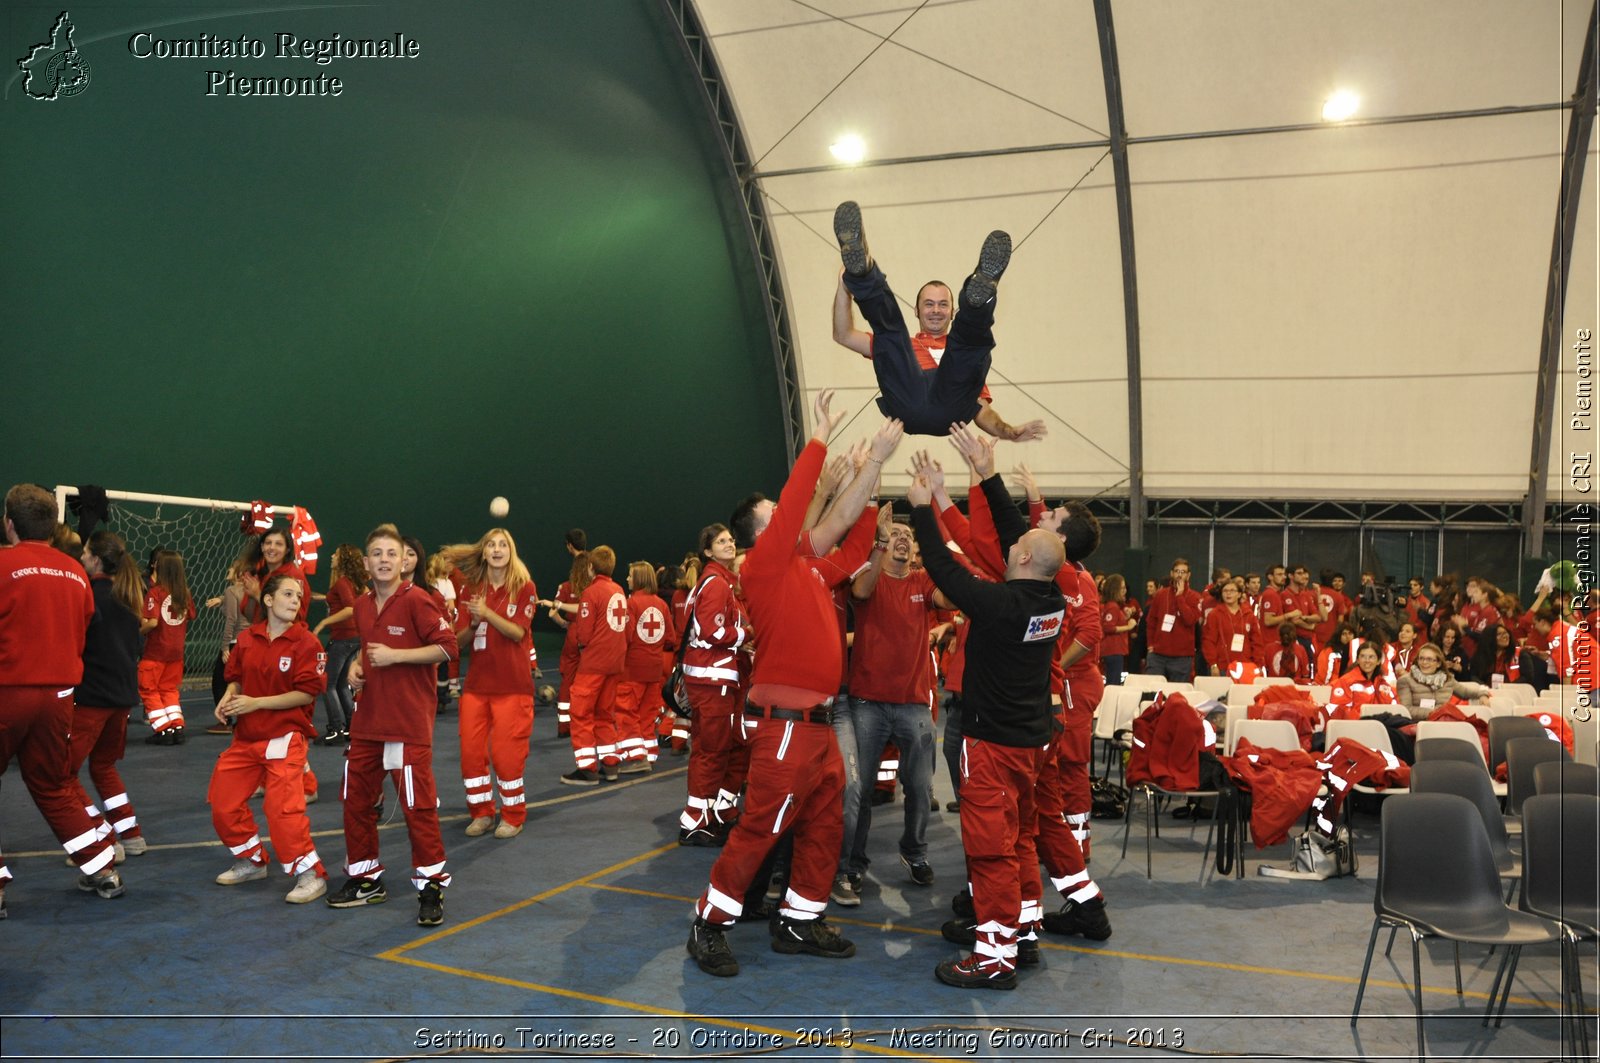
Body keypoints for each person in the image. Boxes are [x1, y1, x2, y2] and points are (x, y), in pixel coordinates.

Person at [685, 391, 900, 979]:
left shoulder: (805, 565)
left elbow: (848, 537)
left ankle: (799, 920)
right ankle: (710, 920)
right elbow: (804, 506)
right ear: (763, 527)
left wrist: (873, 471)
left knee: (824, 825)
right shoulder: (761, 565)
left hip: (819, 726)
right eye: (775, 509)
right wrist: (821, 437)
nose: (786, 509)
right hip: (785, 729)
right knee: (760, 827)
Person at [905, 445, 1066, 990]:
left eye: (1016, 544)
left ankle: (993, 957)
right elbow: (1010, 532)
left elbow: (944, 566)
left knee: (990, 850)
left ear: (1021, 561)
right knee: (1019, 840)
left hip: (992, 746)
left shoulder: (1000, 607)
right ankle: (1023, 934)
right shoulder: (1052, 600)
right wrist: (989, 476)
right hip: (1029, 742)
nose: (1010, 541)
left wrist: (923, 507)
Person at [327, 524, 458, 927]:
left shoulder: (418, 600)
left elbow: (449, 648)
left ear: (404, 561)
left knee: (418, 809)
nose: (384, 559)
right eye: (376, 554)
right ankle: (366, 878)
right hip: (368, 723)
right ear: (366, 564)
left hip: (407, 725)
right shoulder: (364, 605)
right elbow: (370, 651)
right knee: (355, 802)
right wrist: (356, 666)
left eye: (391, 553)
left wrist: (398, 656)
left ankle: (431, 885)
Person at [0, 483, 123, 910]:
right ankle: (102, 867)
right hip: (59, 698)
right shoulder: (76, 573)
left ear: (9, 524)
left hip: (7, 692)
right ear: (53, 528)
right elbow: (85, 627)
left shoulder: (2, 564)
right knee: (53, 784)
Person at [830, 200, 1044, 442]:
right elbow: (843, 334)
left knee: (967, 349)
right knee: (890, 335)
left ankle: (977, 302)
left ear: (952, 312)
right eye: (929, 304)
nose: (936, 310)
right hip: (906, 400)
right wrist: (844, 288)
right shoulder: (906, 346)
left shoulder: (957, 354)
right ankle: (862, 272)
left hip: (950, 409)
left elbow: (981, 410)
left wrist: (1008, 431)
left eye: (943, 304)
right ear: (917, 311)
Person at [837, 511, 940, 898]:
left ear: (914, 550)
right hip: (866, 703)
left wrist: (936, 548)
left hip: (913, 704)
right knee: (858, 789)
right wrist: (877, 542)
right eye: (894, 533)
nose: (901, 537)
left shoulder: (923, 580)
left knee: (919, 786)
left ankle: (914, 852)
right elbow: (860, 593)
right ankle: (851, 866)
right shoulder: (870, 577)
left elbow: (947, 595)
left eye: (907, 535)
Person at [208, 575, 328, 903]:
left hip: (285, 738)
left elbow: (305, 695)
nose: (295, 600)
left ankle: (309, 873)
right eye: (287, 594)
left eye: (299, 595)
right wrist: (229, 698)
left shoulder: (307, 644)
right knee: (222, 803)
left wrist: (255, 703)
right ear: (269, 600)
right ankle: (252, 859)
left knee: (282, 810)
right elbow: (235, 679)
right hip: (246, 736)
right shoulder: (247, 639)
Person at [444, 529, 538, 839]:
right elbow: (457, 643)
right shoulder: (471, 590)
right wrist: (472, 623)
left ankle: (512, 815)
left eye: (502, 545)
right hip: (476, 687)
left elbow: (518, 633)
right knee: (471, 753)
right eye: (490, 545)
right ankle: (481, 812)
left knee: (506, 755)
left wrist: (486, 613)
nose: (496, 550)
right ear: (484, 553)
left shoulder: (524, 588)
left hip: (513, 686)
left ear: (511, 551)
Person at [71, 530, 148, 860]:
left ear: (96, 559)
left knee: (61, 777)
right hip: (122, 697)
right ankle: (130, 835)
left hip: (91, 699)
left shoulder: (88, 594)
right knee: (103, 766)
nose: (82, 557)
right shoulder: (129, 598)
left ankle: (99, 839)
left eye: (86, 552)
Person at [676, 524, 751, 845]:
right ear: (708, 551)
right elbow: (713, 633)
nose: (730, 544)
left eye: (731, 540)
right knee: (711, 750)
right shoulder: (717, 585)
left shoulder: (718, 582)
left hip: (715, 679)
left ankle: (717, 810)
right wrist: (748, 636)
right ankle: (695, 821)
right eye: (721, 541)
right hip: (712, 680)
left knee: (725, 747)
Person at [561, 545, 627, 785]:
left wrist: (582, 644)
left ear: (590, 567)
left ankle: (587, 768)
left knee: (580, 712)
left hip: (594, 664)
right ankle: (610, 764)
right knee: (605, 714)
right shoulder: (618, 590)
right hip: (615, 662)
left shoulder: (591, 592)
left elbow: (584, 633)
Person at [616, 561, 675, 774]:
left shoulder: (631, 604)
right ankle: (649, 754)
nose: (627, 579)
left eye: (630, 575)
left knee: (626, 712)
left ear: (638, 578)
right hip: (655, 669)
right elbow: (670, 638)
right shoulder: (661, 604)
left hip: (632, 669)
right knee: (647, 713)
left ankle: (635, 757)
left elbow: (625, 636)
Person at [310, 543, 366, 745]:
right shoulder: (352, 582)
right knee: (342, 684)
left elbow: (351, 608)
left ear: (343, 560)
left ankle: (336, 728)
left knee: (327, 684)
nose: (332, 556)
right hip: (353, 639)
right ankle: (353, 726)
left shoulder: (343, 582)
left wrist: (323, 622)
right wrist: (321, 598)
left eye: (336, 554)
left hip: (342, 639)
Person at [139, 549, 196, 744]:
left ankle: (162, 729)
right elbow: (191, 616)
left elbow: (152, 622)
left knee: (149, 689)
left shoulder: (155, 592)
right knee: (169, 689)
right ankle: (177, 725)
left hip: (156, 651)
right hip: (176, 652)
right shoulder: (184, 594)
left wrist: (138, 630)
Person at [1144, 558, 1204, 681]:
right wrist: (1150, 645)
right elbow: (1151, 622)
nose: (1180, 575)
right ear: (1171, 573)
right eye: (1177, 571)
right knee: (1153, 692)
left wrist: (1180, 596)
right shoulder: (1161, 595)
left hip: (1182, 658)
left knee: (1177, 695)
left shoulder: (1195, 597)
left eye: (1183, 572)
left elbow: (1190, 620)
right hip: (1157, 655)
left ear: (1188, 575)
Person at [1395, 642, 1490, 719]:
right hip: (1419, 725)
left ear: (1438, 663)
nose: (1424, 663)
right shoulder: (1405, 680)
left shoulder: (1447, 679)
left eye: (1429, 659)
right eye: (1421, 659)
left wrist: (1482, 694)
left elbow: (1465, 693)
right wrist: (1435, 712)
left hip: (1443, 722)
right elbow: (1407, 710)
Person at [1202, 581, 1260, 679]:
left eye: (1232, 591)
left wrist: (1258, 665)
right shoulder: (1214, 615)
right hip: (1222, 667)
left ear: (1239, 594)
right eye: (1225, 591)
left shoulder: (1249, 615)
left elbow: (1257, 642)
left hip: (1246, 667)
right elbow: (1208, 641)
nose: (1228, 593)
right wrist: (1213, 664)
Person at [1098, 574, 1136, 684]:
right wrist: (1128, 626)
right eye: (1122, 588)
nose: (1125, 591)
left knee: (1113, 682)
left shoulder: (1112, 605)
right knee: (1113, 684)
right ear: (1116, 589)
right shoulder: (1113, 606)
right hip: (1113, 651)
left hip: (1113, 651)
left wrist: (1125, 618)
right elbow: (1108, 627)